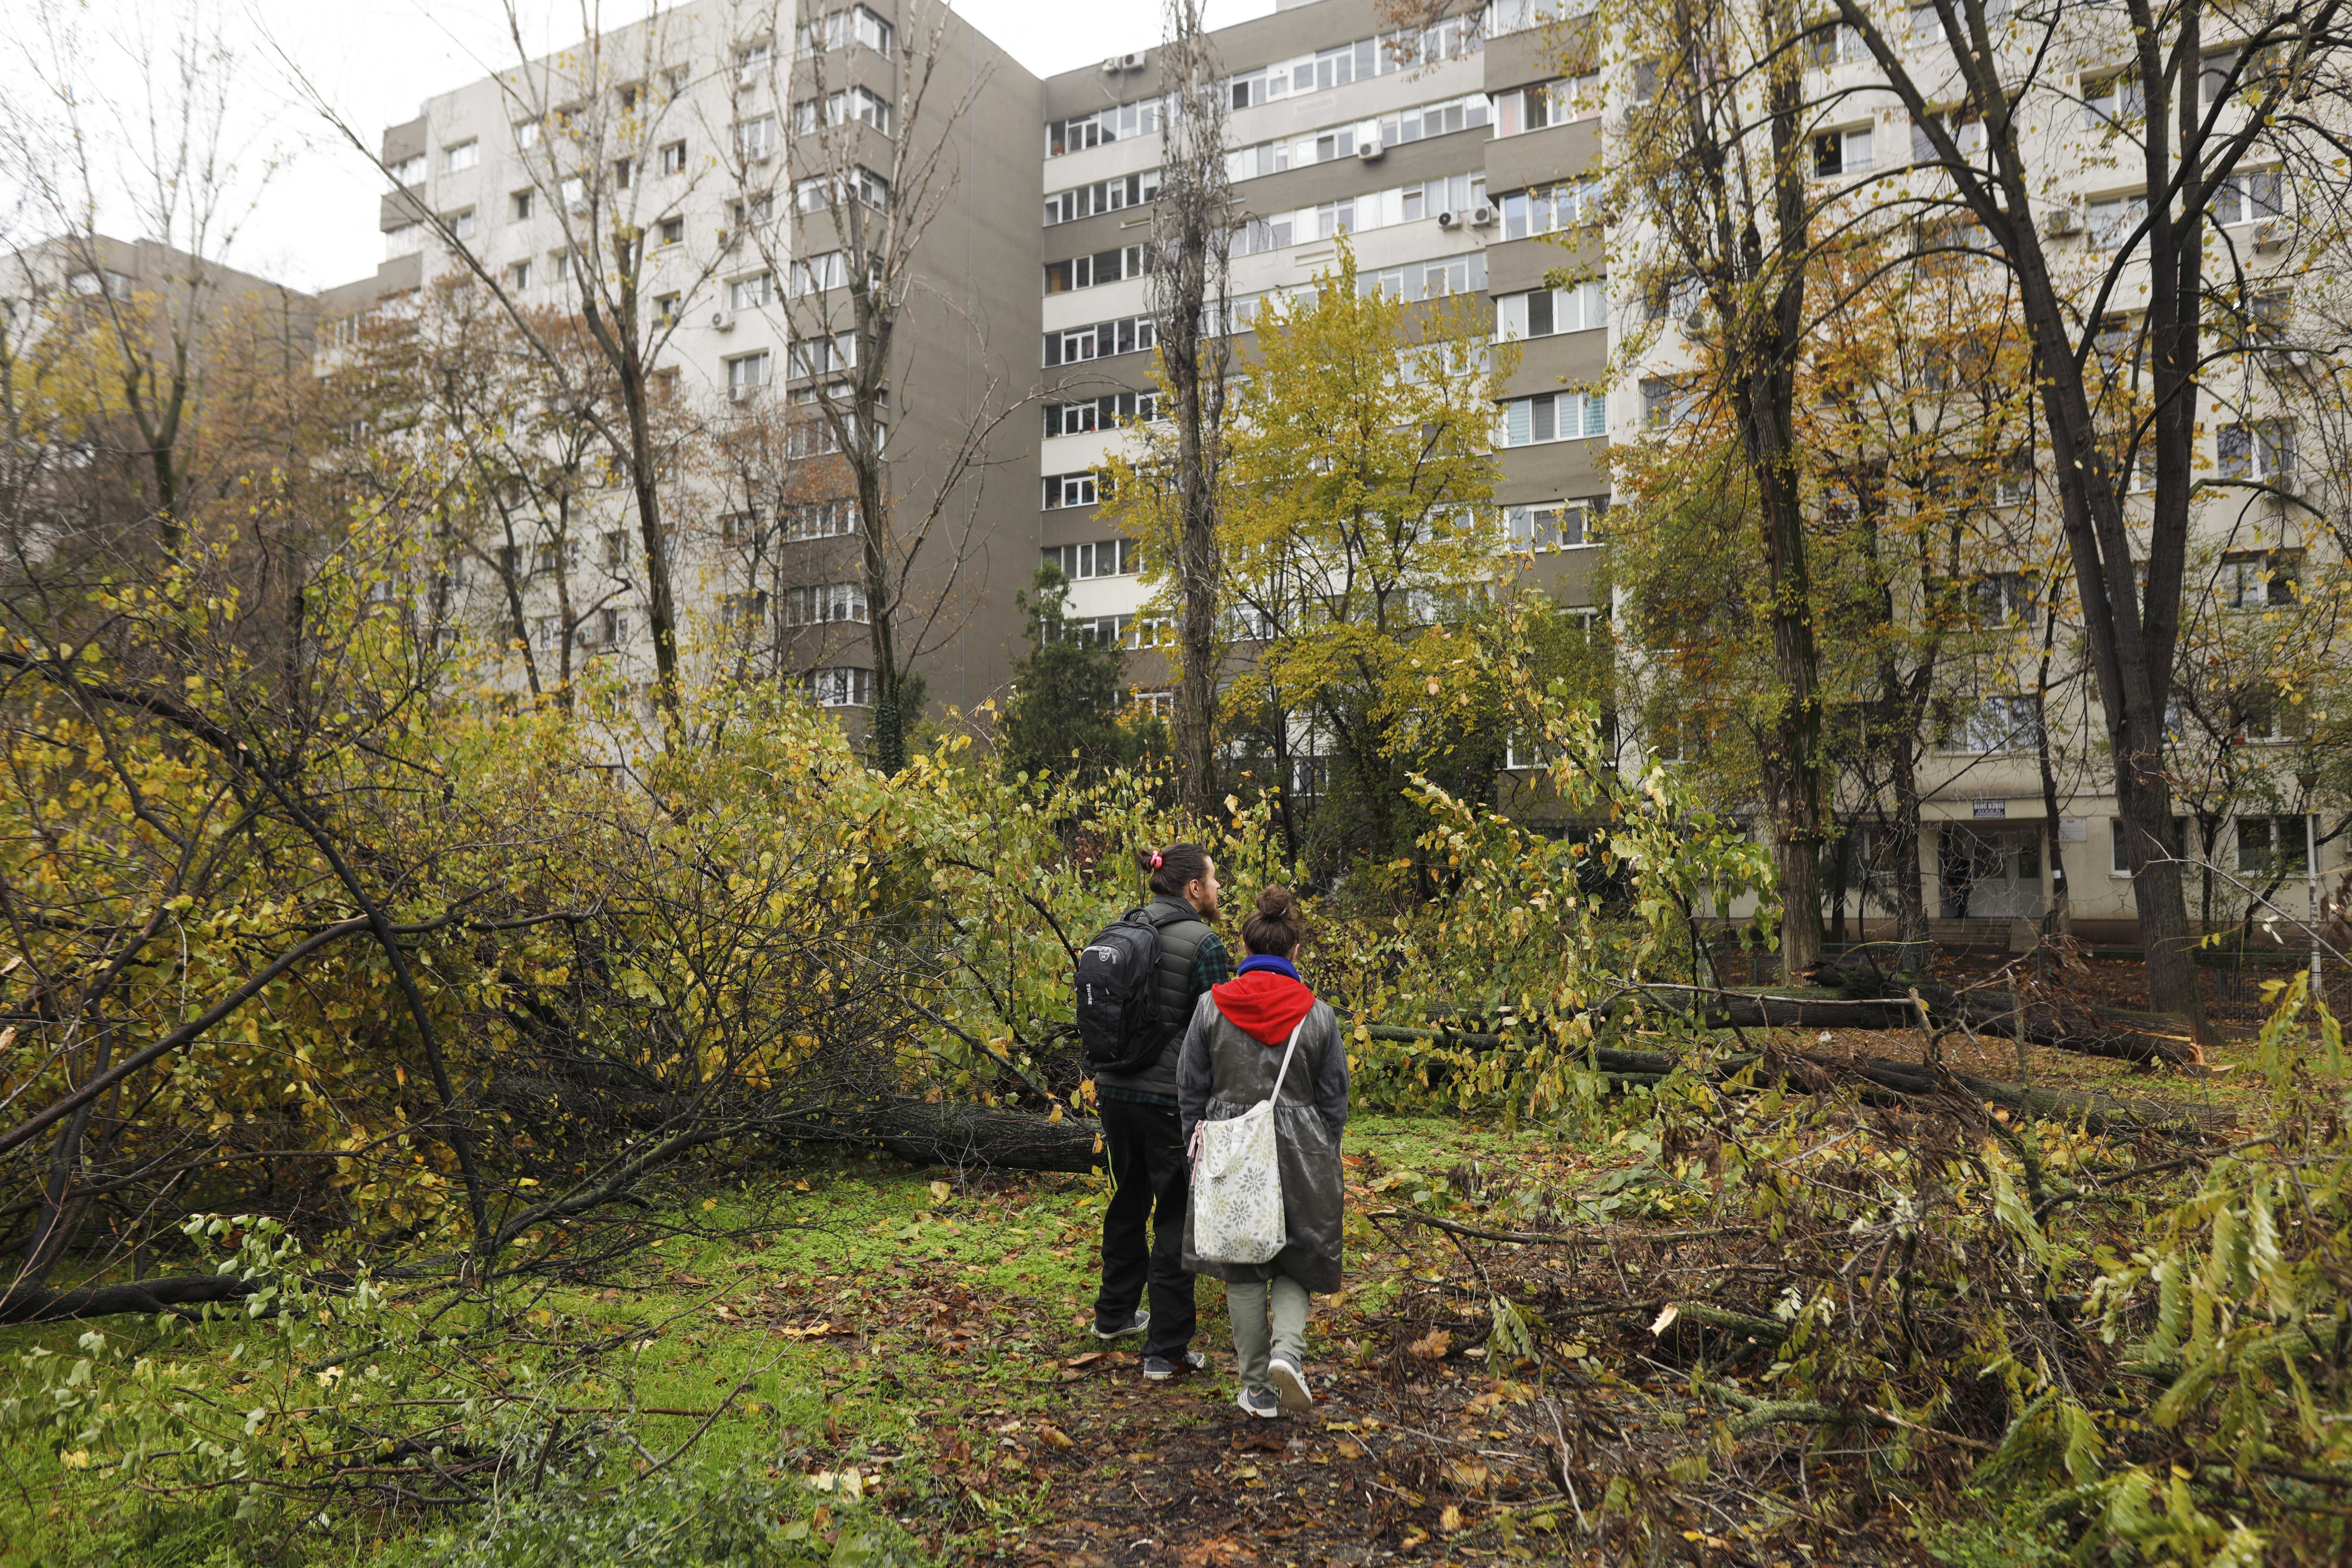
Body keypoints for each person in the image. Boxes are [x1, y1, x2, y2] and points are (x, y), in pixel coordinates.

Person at [1177, 885, 1348, 1418]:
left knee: (1243, 1265)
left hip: (1231, 1148)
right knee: (1297, 1256)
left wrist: (1198, 1147)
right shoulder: (1318, 1015)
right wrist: (1325, 1149)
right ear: (1294, 952)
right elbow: (1335, 1098)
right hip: (1303, 1150)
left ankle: (1257, 1388)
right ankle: (1288, 1355)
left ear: (1245, 949)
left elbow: (1190, 1087)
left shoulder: (1210, 1008)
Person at [1092, 842, 1232, 1380]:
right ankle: (1166, 1351)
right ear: (1193, 888)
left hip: (1114, 1091)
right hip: (1168, 1099)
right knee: (1175, 1213)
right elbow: (1218, 1032)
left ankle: (1113, 1316)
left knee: (1128, 1200)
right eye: (1214, 880)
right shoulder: (1205, 943)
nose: (1219, 889)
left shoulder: (1121, 929)